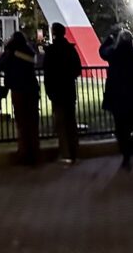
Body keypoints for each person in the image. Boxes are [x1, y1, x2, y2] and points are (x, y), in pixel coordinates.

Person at [102, 29, 133, 170]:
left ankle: (126, 157)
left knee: (121, 130)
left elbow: (102, 51)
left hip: (118, 100)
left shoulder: (113, 56)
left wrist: (110, 38)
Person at [0, 31, 40, 165]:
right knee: (33, 122)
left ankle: (24, 153)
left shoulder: (11, 52)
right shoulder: (29, 51)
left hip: (18, 90)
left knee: (21, 122)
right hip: (31, 89)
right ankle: (34, 153)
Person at [43, 22, 82, 164]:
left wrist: (49, 90)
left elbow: (47, 72)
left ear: (53, 33)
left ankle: (65, 153)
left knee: (61, 123)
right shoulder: (70, 50)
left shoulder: (51, 51)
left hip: (56, 91)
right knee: (71, 122)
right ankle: (74, 152)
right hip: (69, 90)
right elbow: (77, 69)